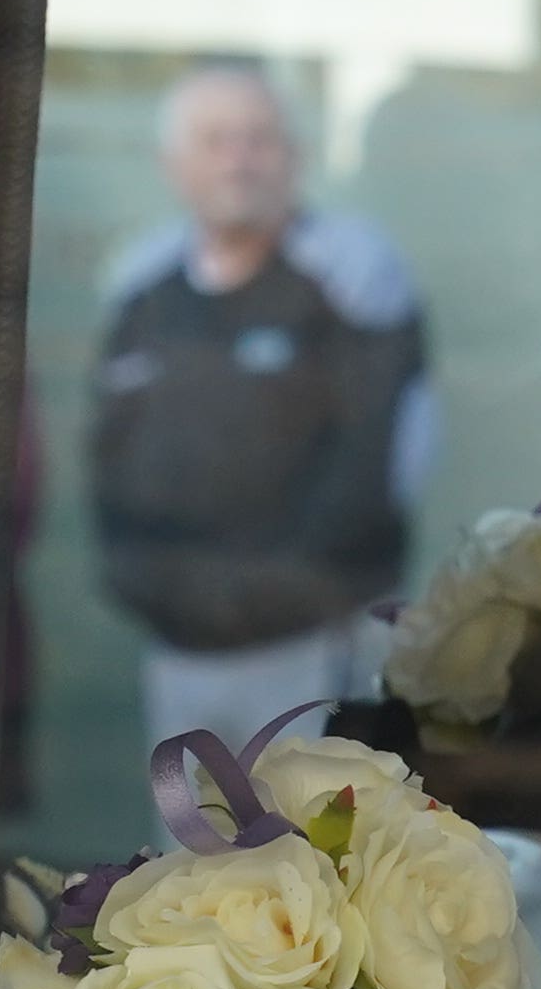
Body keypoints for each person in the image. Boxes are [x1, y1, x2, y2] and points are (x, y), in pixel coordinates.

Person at [87, 58, 432, 753]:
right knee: (190, 855)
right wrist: (150, 586)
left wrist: (284, 594)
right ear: (172, 163)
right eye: (215, 141)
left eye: (259, 139)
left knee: (306, 854)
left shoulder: (356, 276)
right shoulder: (139, 285)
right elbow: (107, 456)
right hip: (175, 645)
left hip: (309, 650)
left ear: (295, 157)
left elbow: (386, 461)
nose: (239, 161)